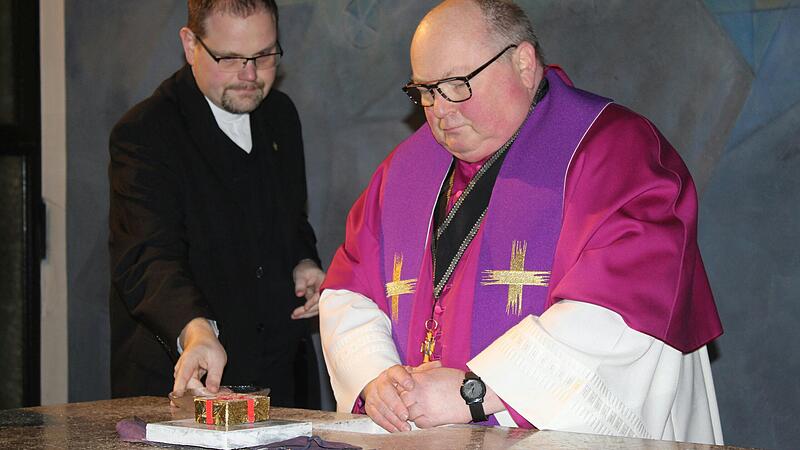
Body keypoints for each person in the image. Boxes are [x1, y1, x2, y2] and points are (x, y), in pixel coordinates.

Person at [319, 0, 724, 444]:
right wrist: (378, 379)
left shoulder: (615, 154)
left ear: (524, 63)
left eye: (457, 84)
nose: (438, 110)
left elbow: (623, 315)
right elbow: (349, 289)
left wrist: (478, 392)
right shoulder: (405, 170)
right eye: (425, 91)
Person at [109, 0, 325, 408]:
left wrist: (303, 261)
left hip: (281, 379)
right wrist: (195, 328)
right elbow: (146, 256)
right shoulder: (145, 132)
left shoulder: (281, 114)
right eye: (229, 58)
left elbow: (290, 218)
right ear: (191, 46)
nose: (250, 75)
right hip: (185, 382)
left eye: (264, 55)